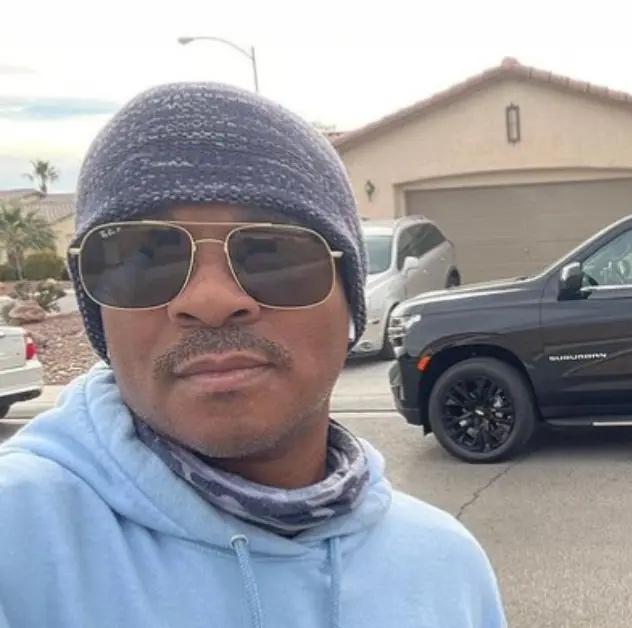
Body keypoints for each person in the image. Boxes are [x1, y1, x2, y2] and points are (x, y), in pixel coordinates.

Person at [0, 83, 506, 628]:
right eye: (144, 257)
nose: (210, 302)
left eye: (270, 252)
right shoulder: (18, 543)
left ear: (351, 306)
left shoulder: (446, 569)